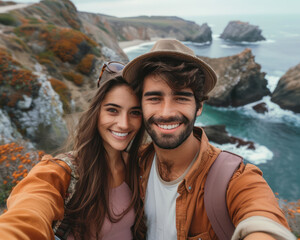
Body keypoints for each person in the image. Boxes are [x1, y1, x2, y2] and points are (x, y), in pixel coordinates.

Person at [122, 39, 296, 240]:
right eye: (154, 98)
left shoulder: (235, 180)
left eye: (181, 98)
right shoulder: (132, 163)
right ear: (140, 105)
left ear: (199, 106)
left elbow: (262, 218)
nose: (166, 112)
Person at [0, 62, 146, 240]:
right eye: (112, 110)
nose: (124, 124)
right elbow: (28, 212)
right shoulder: (60, 172)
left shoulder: (140, 165)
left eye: (135, 112)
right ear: (96, 112)